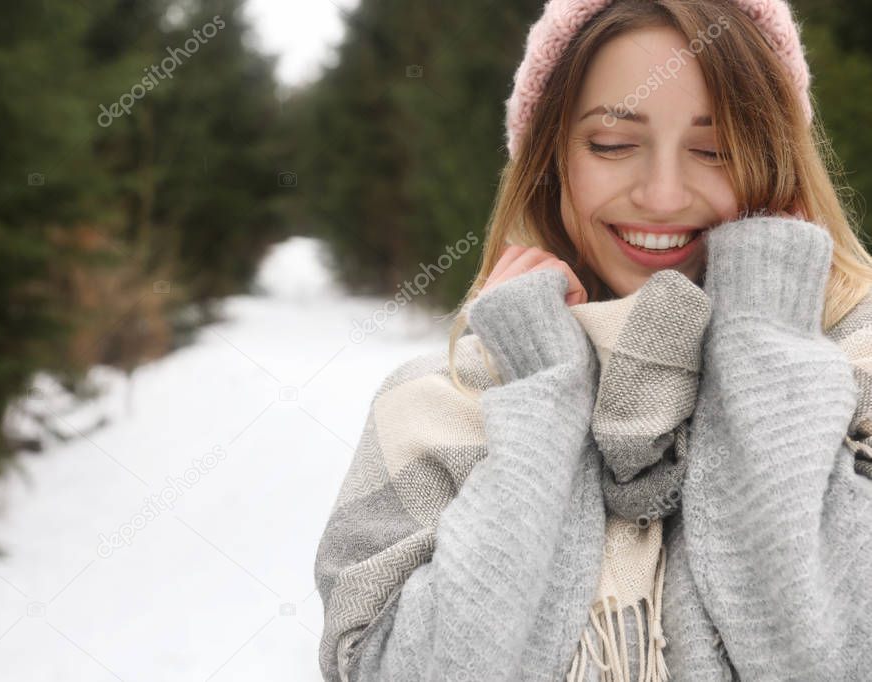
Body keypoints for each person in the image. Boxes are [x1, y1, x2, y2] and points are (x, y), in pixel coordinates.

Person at [314, 0, 872, 679]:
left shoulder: (856, 372)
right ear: (550, 160)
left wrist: (763, 350)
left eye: (714, 149)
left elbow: (834, 654)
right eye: (611, 144)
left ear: (777, 160)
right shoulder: (438, 405)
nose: (663, 197)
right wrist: (542, 400)